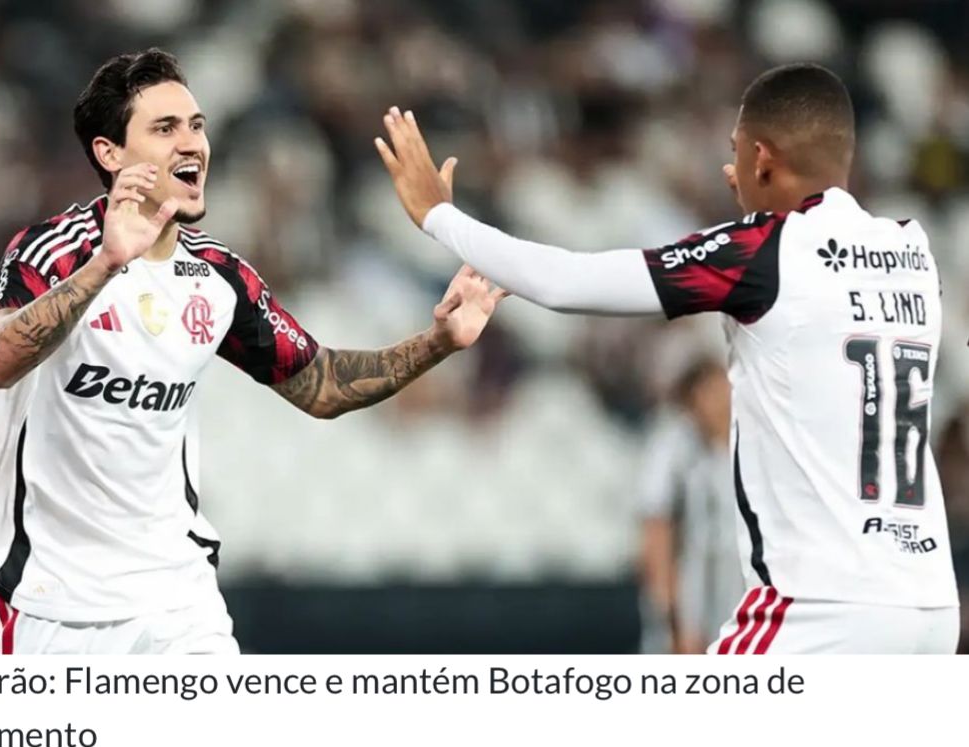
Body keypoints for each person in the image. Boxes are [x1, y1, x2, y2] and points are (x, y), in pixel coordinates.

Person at [376, 63, 959, 653]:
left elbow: (567, 281)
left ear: (762, 158)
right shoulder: (913, 250)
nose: (731, 170)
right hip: (930, 605)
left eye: (735, 152)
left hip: (821, 606)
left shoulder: (764, 252)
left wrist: (439, 217)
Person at [0, 49, 506, 655]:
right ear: (110, 153)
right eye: (165, 128)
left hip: (178, 601)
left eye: (196, 125)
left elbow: (322, 384)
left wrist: (438, 343)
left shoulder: (216, 276)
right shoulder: (56, 251)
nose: (191, 143)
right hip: (46, 605)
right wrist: (106, 265)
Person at [639, 358, 743, 654]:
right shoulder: (674, 449)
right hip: (694, 587)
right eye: (711, 391)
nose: (722, 399)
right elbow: (657, 529)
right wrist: (672, 617)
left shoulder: (751, 442)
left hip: (741, 586)